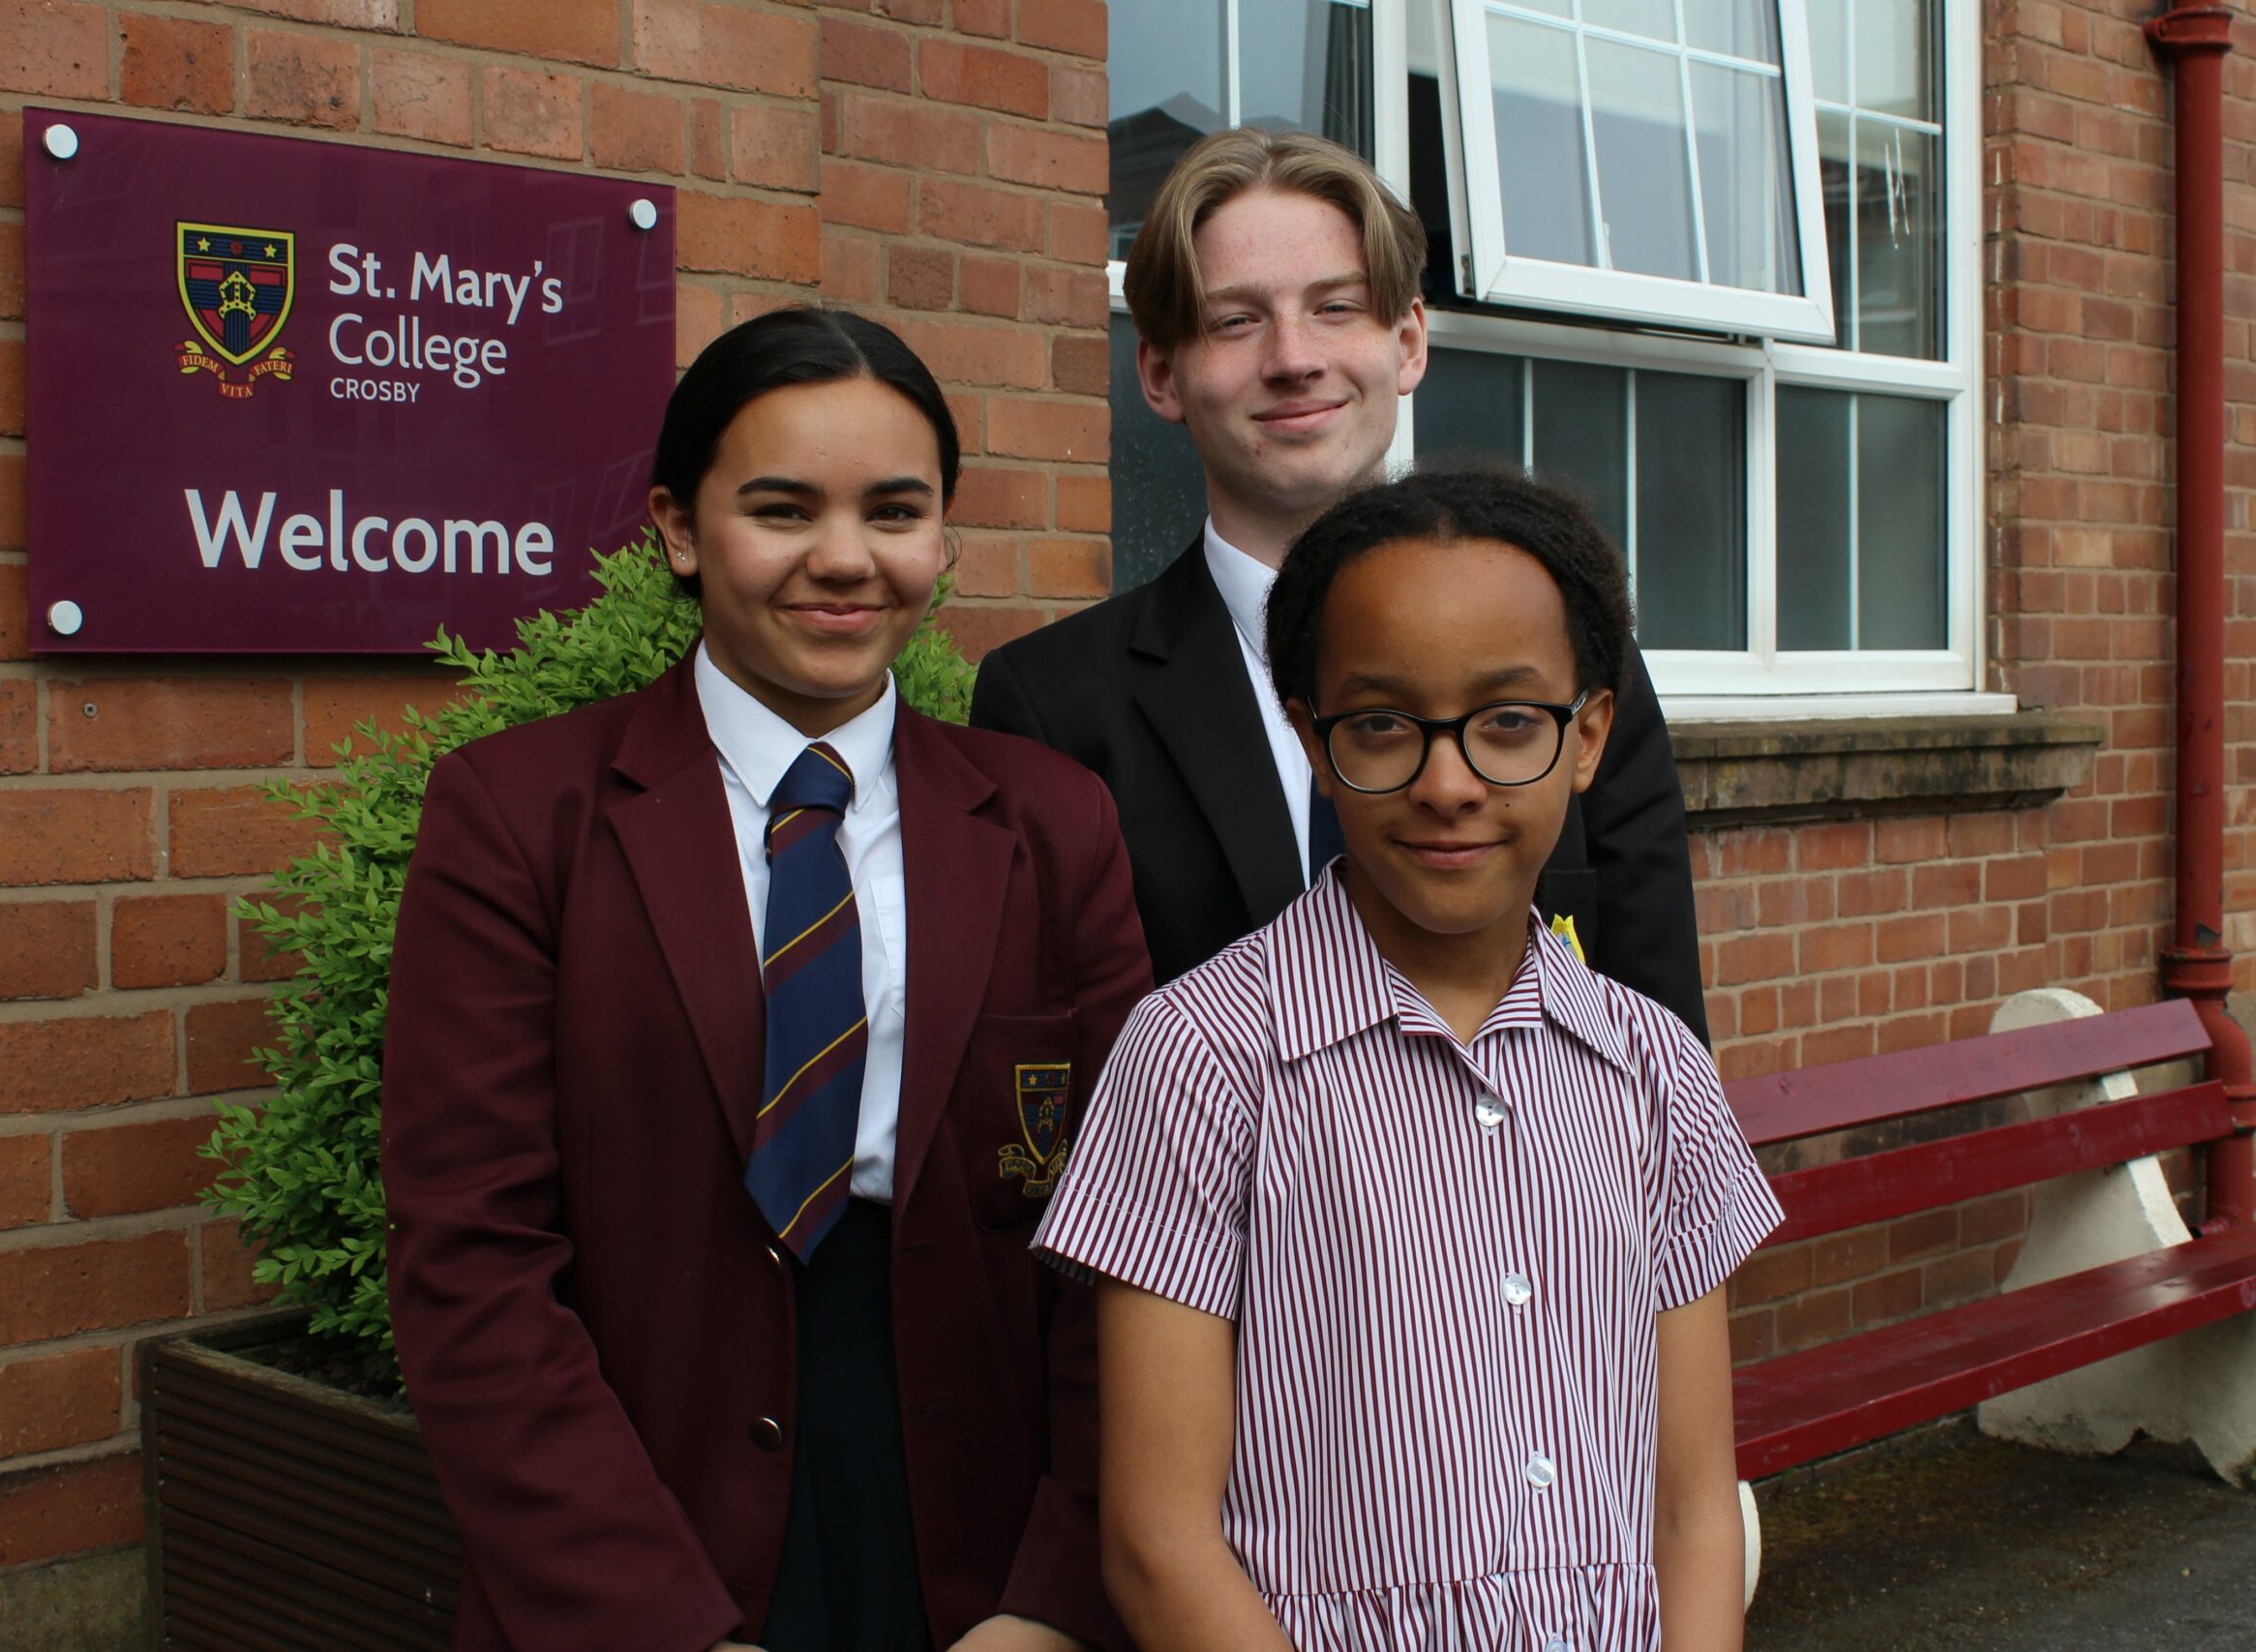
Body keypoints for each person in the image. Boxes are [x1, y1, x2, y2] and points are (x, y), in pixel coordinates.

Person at [380, 307, 1152, 1652]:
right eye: (782, 508)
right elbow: (471, 1255)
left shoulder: (1052, 820)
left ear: (946, 536)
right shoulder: (519, 816)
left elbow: (1135, 1237)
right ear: (680, 529)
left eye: (896, 510)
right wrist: (646, 1615)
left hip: (973, 1506)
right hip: (644, 1495)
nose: (844, 559)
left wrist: (1058, 1581)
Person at [1034, 469, 1781, 1651]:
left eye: (1507, 724)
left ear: (1587, 736)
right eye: (1381, 724)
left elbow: (1692, 1511)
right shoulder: (1198, 1061)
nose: (1447, 783)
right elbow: (1155, 1538)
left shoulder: (1652, 1069)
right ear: (1307, 735)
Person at [969, 128, 1707, 1038]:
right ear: (1161, 373)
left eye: (1336, 308)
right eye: (1236, 320)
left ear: (1406, 342)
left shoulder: (1571, 658)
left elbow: (1660, 1049)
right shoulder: (1049, 706)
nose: (1292, 357)